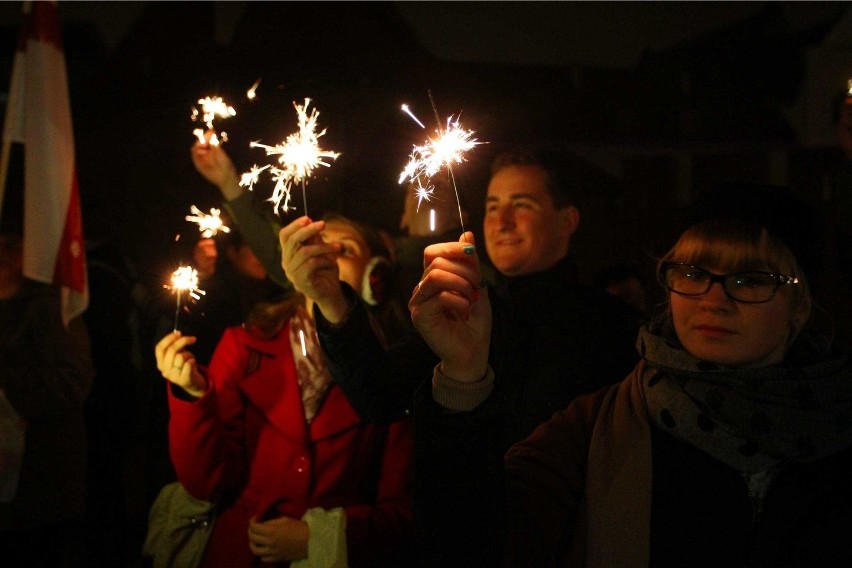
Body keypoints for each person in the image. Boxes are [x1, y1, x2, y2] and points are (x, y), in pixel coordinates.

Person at [409, 182, 852, 566]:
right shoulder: (599, 428)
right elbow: (472, 545)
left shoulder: (837, 427)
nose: (713, 300)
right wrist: (463, 375)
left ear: (799, 305)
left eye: (750, 279)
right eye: (694, 273)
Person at [282, 148, 639, 563]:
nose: (501, 221)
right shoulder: (465, 311)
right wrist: (331, 302)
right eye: (492, 206)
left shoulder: (615, 328)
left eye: (521, 205)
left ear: (567, 220)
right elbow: (379, 396)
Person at [153, 213, 415, 567]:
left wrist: (321, 538)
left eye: (345, 249)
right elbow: (207, 484)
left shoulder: (394, 372)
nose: (325, 253)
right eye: (315, 244)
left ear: (375, 277)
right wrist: (193, 397)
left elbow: (402, 511)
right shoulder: (244, 346)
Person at [0, 229, 94, 566]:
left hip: (39, 487)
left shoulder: (54, 308)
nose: (3, 255)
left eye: (10, 245)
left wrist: (7, 385)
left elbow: (72, 383)